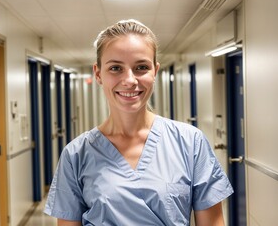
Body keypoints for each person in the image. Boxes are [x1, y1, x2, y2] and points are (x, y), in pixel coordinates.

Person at [44, 19, 234, 226]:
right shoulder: (76, 154)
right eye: (115, 68)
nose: (130, 80)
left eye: (141, 67)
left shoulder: (190, 142)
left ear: (155, 71)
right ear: (98, 74)